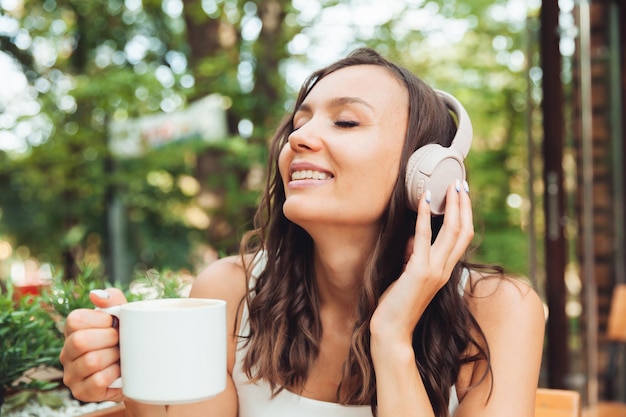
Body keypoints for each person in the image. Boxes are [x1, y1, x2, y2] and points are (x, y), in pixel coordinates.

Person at [60, 47, 545, 417]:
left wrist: (392, 334)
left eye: (347, 121)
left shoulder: (499, 311)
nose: (298, 137)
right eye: (299, 122)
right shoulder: (227, 293)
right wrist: (129, 372)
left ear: (428, 174)